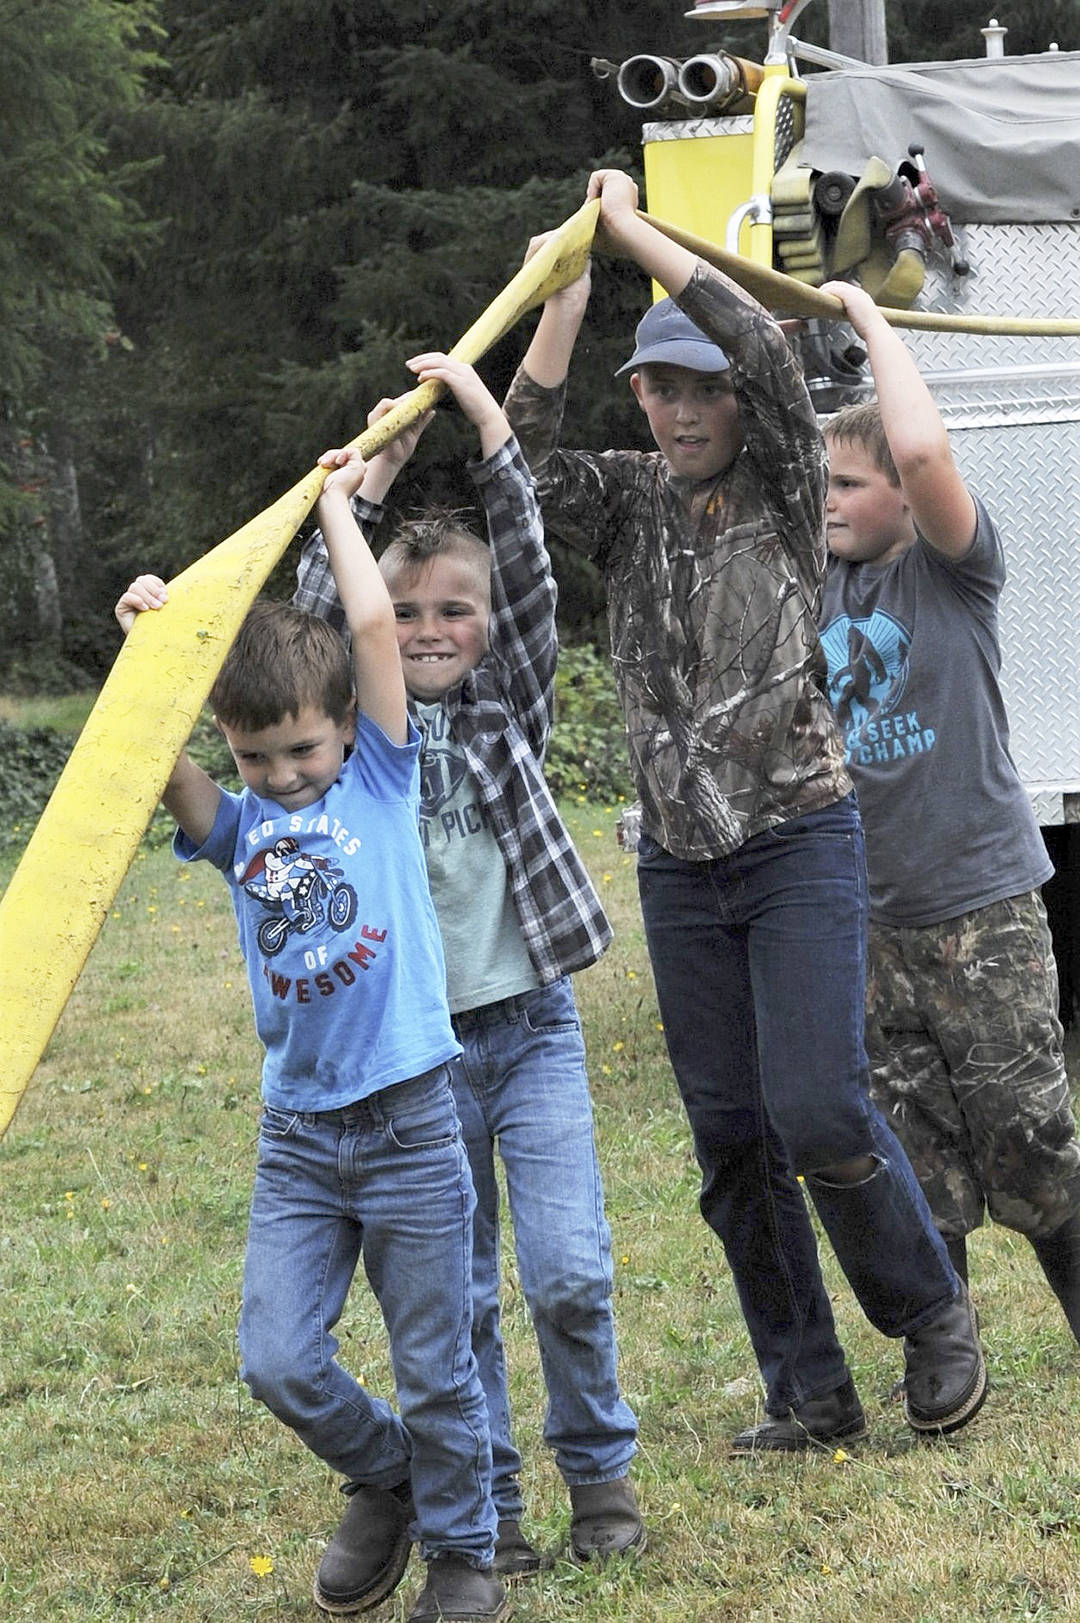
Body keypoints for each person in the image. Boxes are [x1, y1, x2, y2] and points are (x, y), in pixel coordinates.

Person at [502, 166, 987, 1452]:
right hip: (678, 863)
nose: (682, 408)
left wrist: (633, 229)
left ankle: (931, 1313)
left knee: (819, 1103)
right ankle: (809, 1389)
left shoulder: (783, 481)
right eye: (661, 386)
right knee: (729, 1141)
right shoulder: (618, 500)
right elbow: (522, 461)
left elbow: (769, 345)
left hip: (799, 842)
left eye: (700, 385)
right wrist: (570, 286)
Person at [114, 445, 507, 1623]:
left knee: (440, 1365)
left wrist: (339, 503)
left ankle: (465, 1552)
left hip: (409, 1122)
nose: (282, 778)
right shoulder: (239, 828)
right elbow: (158, 764)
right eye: (255, 758)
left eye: (301, 751)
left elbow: (377, 633)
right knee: (277, 1360)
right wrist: (148, 650)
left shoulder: (379, 781)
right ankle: (385, 1475)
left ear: (344, 728)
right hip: (299, 1137)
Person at [294, 353, 644, 1572]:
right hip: (421, 1057)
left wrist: (489, 418)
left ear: (488, 627)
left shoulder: (508, 703)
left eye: (457, 609)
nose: (432, 630)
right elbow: (318, 606)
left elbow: (536, 573)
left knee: (567, 1274)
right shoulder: (355, 733)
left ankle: (598, 1472)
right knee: (466, 1296)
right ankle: (492, 1505)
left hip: (531, 1029)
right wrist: (369, 475)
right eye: (410, 611)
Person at [818, 277, 1080, 1342]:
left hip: (982, 904)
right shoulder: (822, 585)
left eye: (846, 482)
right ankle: (946, 1347)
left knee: (1029, 1138)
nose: (828, 500)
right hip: (874, 920)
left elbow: (924, 455)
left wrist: (869, 323)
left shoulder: (952, 572)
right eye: (821, 483)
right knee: (915, 1148)